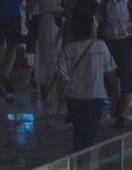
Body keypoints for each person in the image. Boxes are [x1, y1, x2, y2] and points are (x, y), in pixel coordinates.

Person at [44, 12, 119, 150]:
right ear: (91, 28)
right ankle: (84, 163)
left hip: (74, 97)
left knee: (79, 132)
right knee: (90, 133)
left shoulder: (69, 49)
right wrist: (116, 90)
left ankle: (79, 157)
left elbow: (59, 74)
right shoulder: (100, 46)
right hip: (95, 96)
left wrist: (49, 91)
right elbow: (110, 72)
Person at [99, 0, 132, 127]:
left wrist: (127, 31)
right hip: (109, 42)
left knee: (126, 76)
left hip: (126, 42)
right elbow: (101, 21)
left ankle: (122, 113)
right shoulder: (106, 2)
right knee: (109, 75)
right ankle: (117, 100)